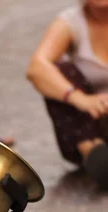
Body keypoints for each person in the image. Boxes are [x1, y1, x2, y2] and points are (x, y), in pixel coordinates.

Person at [26, 0, 108, 189]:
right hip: (87, 122)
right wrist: (82, 100)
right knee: (58, 71)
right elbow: (36, 68)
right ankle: (91, 149)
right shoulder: (71, 20)